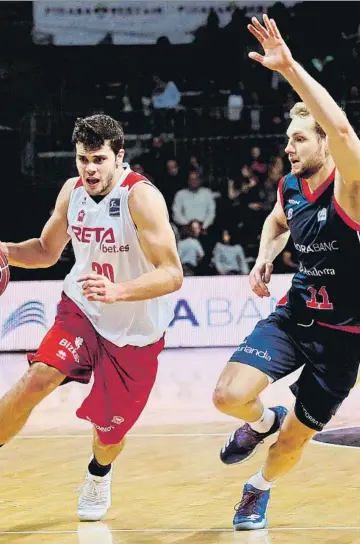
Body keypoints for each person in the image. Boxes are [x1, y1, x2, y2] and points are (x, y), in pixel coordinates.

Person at [0, 115, 183, 520]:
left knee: (109, 433)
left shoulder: (141, 197)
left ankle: (98, 474)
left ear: (119, 157)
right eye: (83, 158)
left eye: (99, 159)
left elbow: (172, 274)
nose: (90, 168)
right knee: (38, 376)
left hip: (135, 328)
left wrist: (119, 290)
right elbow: (46, 252)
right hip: (82, 308)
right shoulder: (73, 192)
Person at [213, 15, 360, 530]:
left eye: (299, 139)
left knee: (297, 440)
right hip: (296, 315)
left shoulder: (352, 188)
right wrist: (264, 255)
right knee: (227, 395)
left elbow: (343, 127)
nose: (289, 148)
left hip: (344, 339)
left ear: (324, 143)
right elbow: (277, 221)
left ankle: (259, 489)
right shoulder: (290, 188)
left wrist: (290, 66)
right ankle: (261, 419)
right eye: (287, 140)